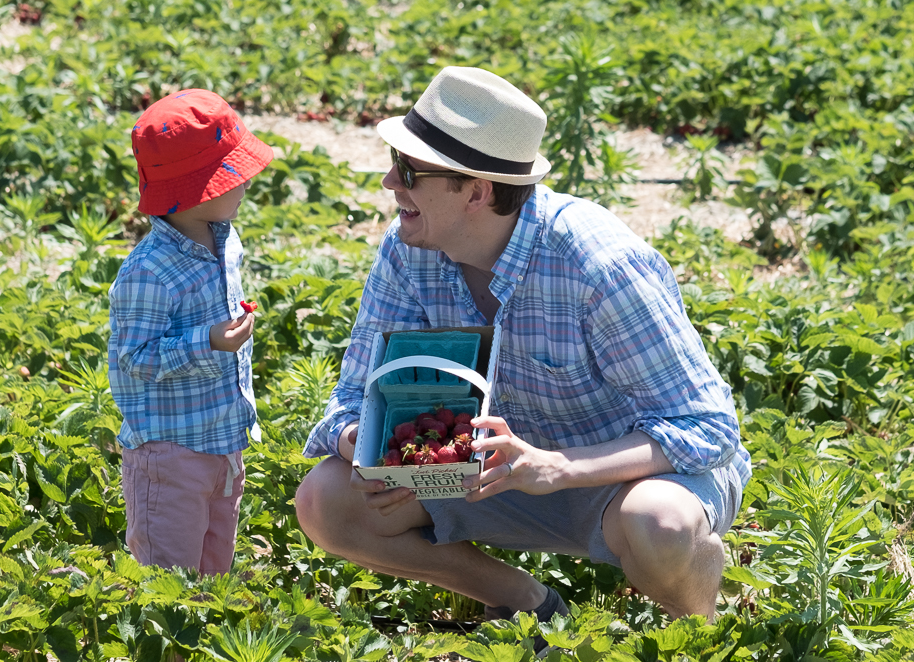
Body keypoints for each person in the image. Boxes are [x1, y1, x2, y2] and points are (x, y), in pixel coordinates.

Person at [295, 66, 751, 626]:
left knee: (662, 524)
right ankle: (523, 602)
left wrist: (559, 467)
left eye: (410, 171)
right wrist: (377, 456)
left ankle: (697, 632)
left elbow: (706, 427)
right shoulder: (409, 251)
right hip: (491, 475)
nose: (391, 183)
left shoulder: (596, 264)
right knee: (328, 500)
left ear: (478, 192)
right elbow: (352, 400)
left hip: (621, 482)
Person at [108, 89, 274, 576]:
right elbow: (133, 359)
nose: (247, 180)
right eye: (234, 174)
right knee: (169, 578)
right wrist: (209, 341)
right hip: (169, 452)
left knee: (214, 572)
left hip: (223, 438)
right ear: (199, 187)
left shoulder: (225, 238)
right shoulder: (149, 271)